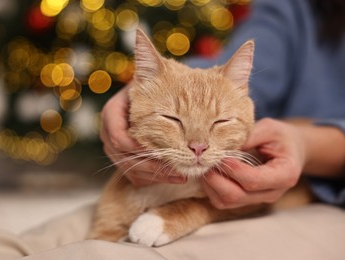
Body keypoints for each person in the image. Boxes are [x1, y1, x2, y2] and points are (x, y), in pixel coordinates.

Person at [100, 0, 345, 208]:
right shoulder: (295, 6)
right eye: (173, 119)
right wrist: (159, 83)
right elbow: (253, 62)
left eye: (220, 122)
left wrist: (309, 146)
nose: (198, 145)